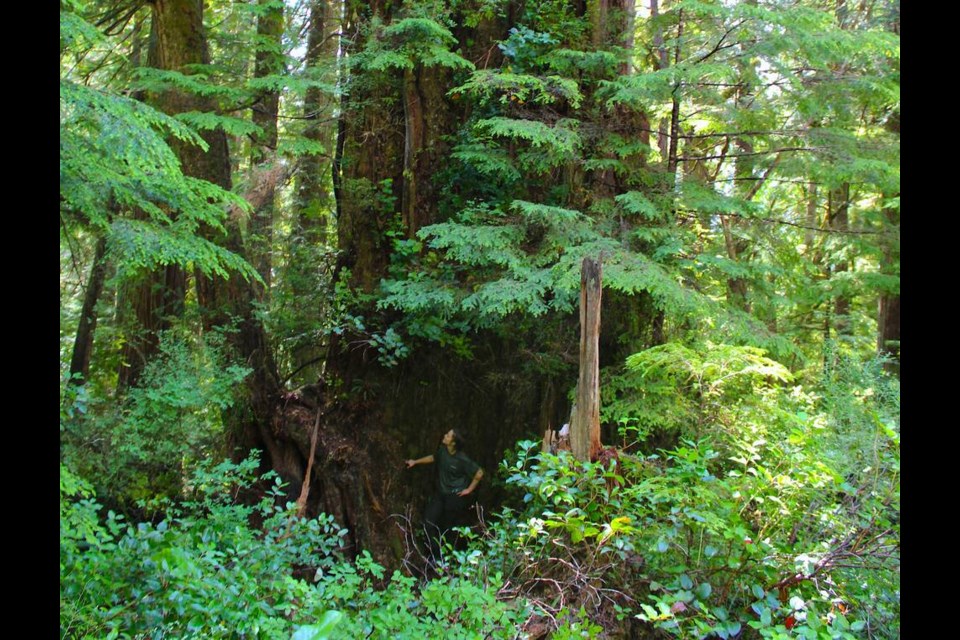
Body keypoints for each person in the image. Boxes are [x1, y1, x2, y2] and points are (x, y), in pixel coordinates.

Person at [406, 429, 484, 560]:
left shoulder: (462, 459)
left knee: (448, 528)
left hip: (455, 497)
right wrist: (415, 461)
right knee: (428, 523)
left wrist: (469, 489)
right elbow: (433, 458)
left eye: (448, 435)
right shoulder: (443, 451)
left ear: (453, 442)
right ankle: (435, 555)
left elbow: (479, 473)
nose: (444, 436)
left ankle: (450, 559)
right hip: (440, 494)